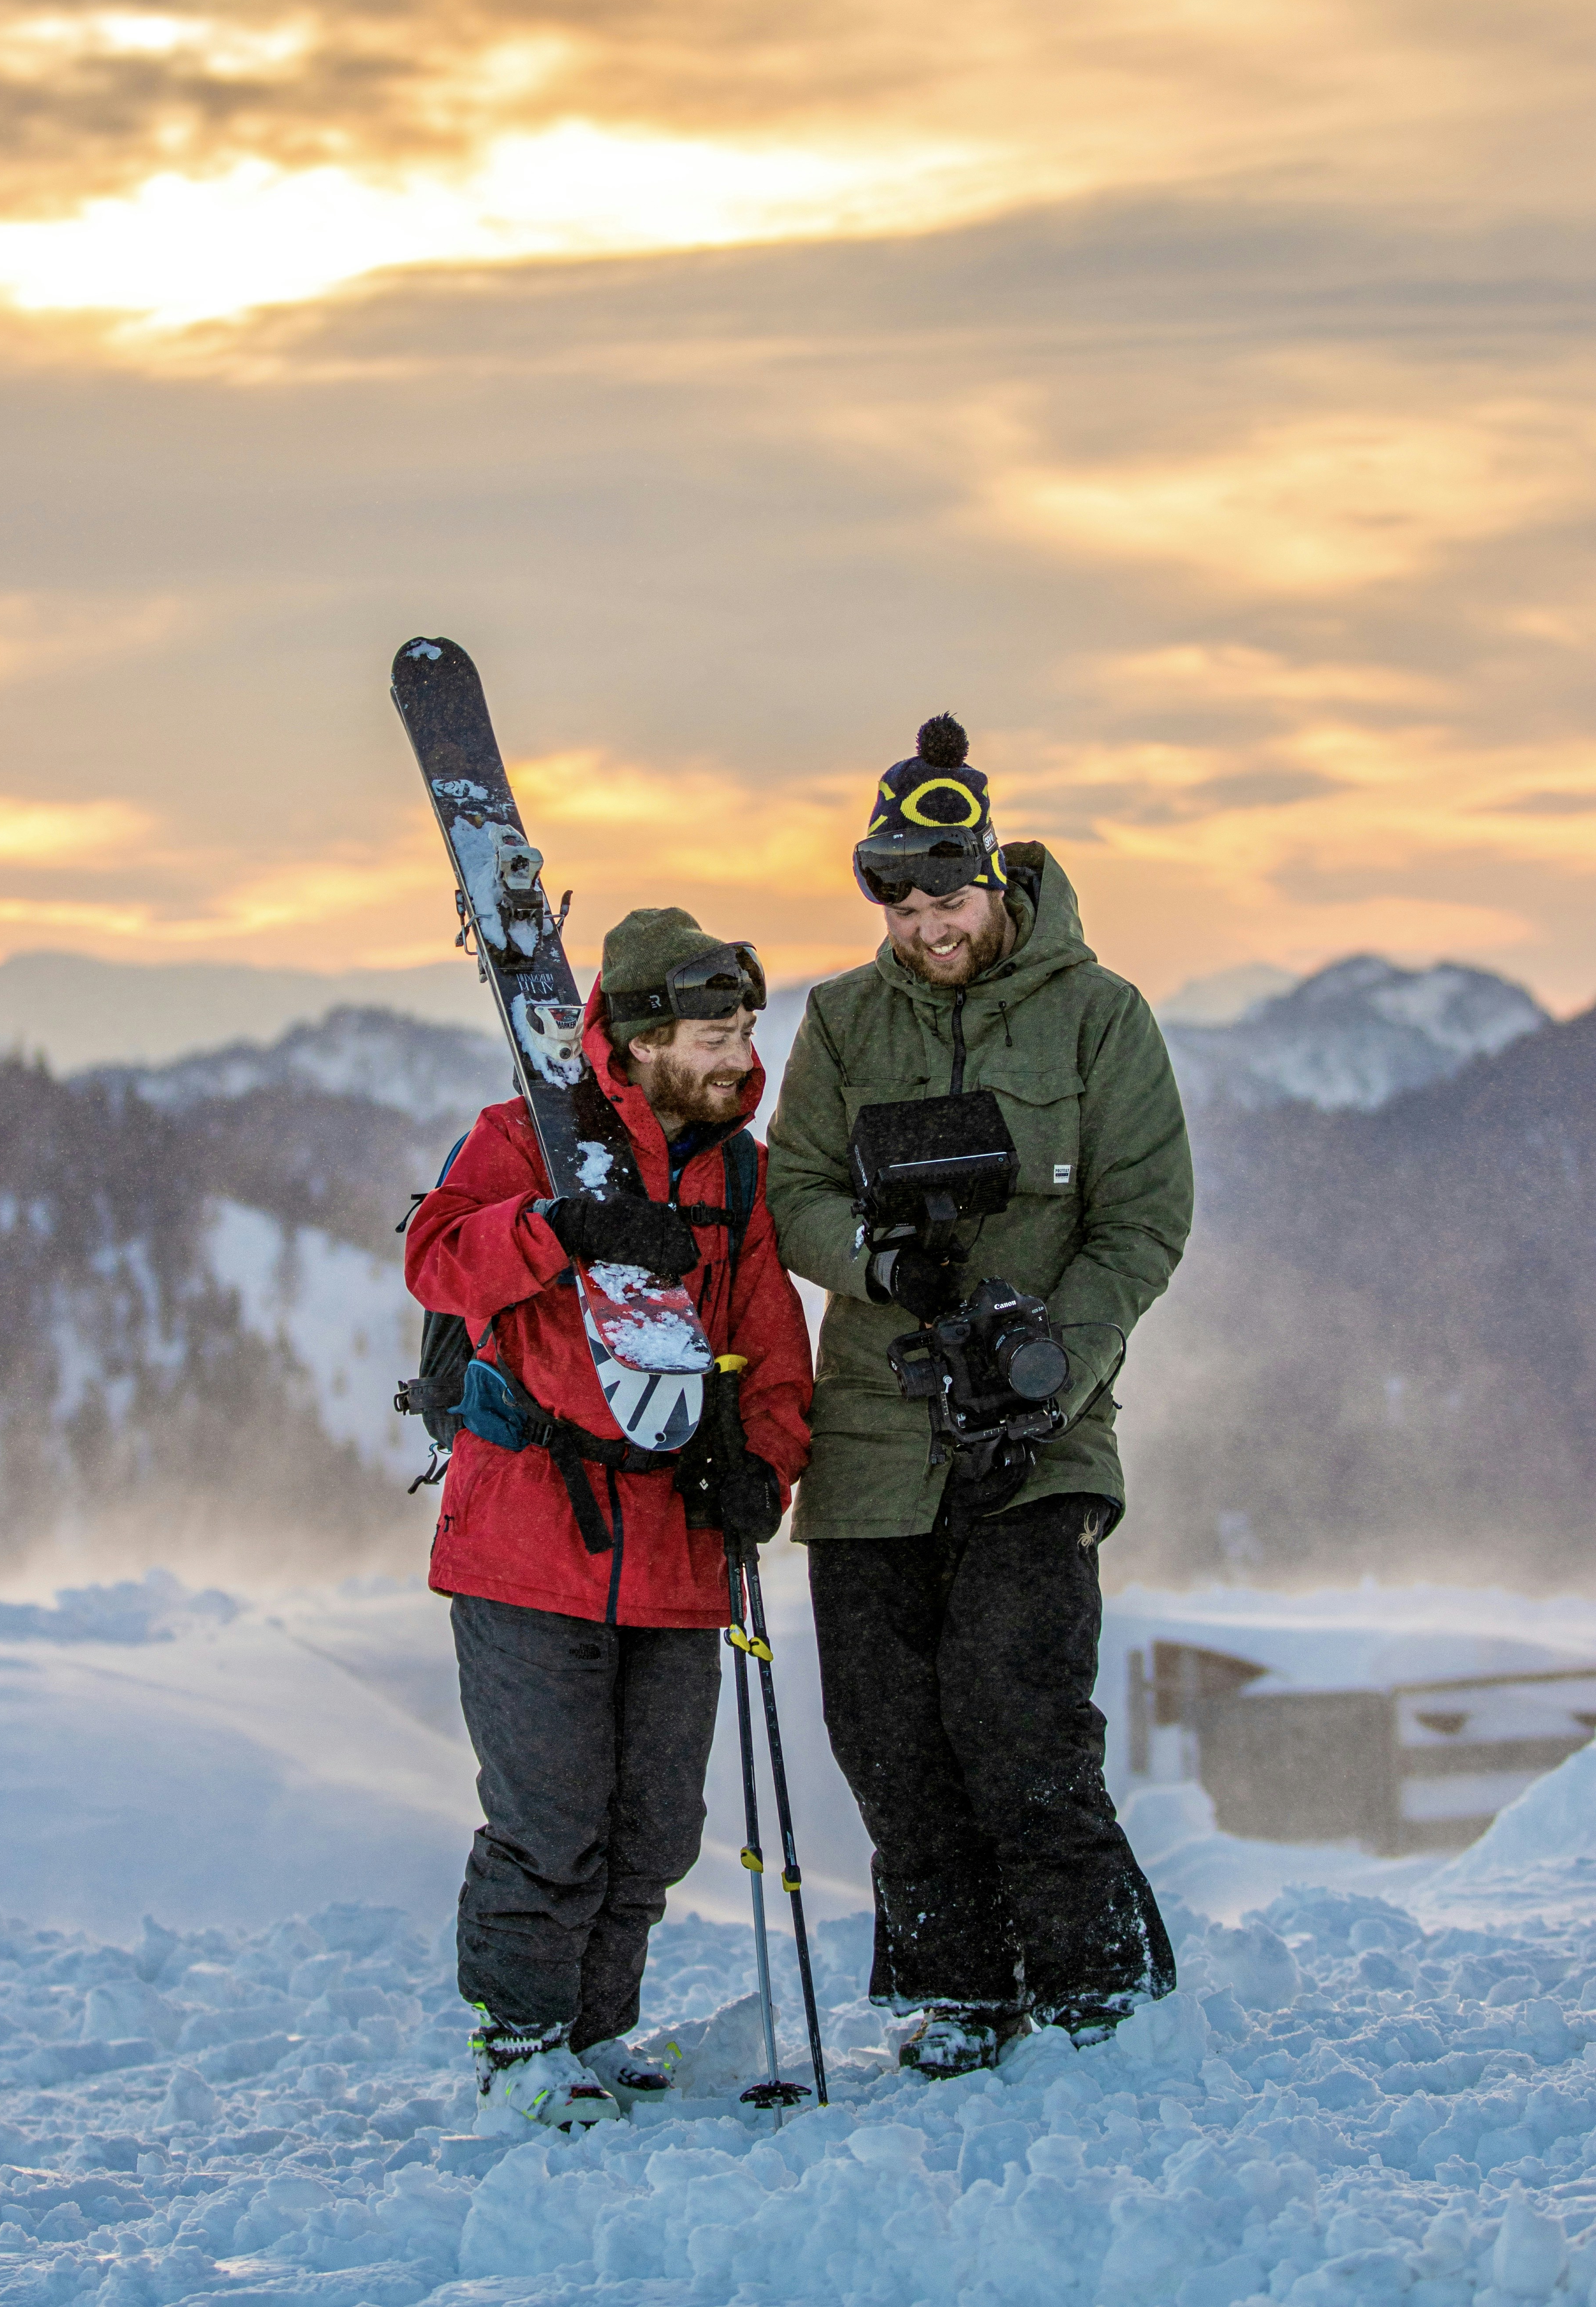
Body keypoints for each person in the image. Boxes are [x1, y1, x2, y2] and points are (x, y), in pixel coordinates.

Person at [765, 716, 1193, 2072]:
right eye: (894, 900)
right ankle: (960, 1991)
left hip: (1041, 1429)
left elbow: (1146, 1219)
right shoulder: (841, 1019)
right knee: (883, 1732)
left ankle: (1096, 1991)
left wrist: (1049, 1358)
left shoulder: (1101, 1015)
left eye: (942, 898)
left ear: (992, 878)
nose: (921, 927)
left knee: (1015, 1714)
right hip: (875, 1431)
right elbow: (796, 1194)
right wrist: (876, 1259)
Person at [405, 908, 813, 2131]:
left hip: (677, 1553)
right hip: (529, 1534)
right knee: (551, 1820)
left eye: (744, 1025)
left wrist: (762, 1471)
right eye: (711, 1031)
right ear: (635, 1042)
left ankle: (593, 2031)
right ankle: (522, 2044)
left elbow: (772, 1356)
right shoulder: (528, 1139)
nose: (740, 1052)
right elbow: (437, 1260)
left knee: (653, 1827)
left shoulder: (732, 1177)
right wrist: (556, 1229)